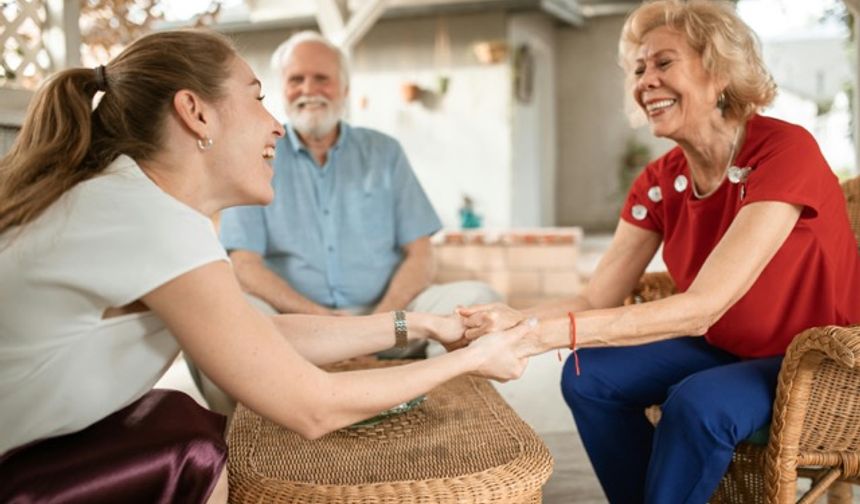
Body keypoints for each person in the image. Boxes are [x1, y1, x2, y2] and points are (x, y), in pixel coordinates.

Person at [0, 29, 538, 504]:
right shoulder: (149, 219)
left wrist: (420, 324)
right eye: (258, 97)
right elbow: (314, 408)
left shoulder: (131, 200)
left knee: (180, 420)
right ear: (196, 112)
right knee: (191, 440)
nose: (276, 125)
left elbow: (257, 333)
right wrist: (471, 360)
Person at [457, 1, 860, 502]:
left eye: (664, 63)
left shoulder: (784, 151)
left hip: (812, 360)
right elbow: (594, 299)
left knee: (699, 403)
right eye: (639, 68)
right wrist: (512, 321)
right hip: (724, 346)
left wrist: (542, 337)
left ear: (719, 74)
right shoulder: (659, 181)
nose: (644, 80)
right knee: (587, 378)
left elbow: (702, 307)